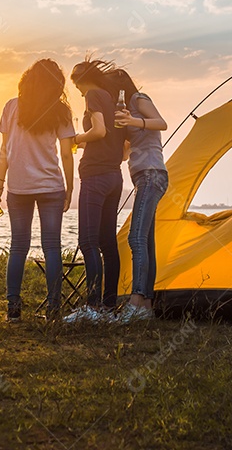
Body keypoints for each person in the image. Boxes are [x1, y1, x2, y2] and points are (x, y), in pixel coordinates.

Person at [0, 59, 76, 322]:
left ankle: (13, 309)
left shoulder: (12, 107)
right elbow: (67, 155)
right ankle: (54, 309)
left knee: (18, 247)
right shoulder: (60, 111)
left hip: (19, 187)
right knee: (52, 247)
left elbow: (4, 150)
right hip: (51, 186)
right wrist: (70, 188)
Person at [65, 58, 127, 323]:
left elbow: (99, 131)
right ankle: (109, 307)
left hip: (96, 176)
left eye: (77, 86)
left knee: (88, 241)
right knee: (107, 244)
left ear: (82, 81)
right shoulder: (112, 99)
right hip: (114, 176)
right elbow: (119, 144)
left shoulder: (93, 95)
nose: (79, 93)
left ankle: (92, 307)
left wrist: (76, 139)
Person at [111, 69, 168, 323]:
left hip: (152, 174)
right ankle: (146, 306)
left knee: (135, 238)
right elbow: (126, 154)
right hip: (143, 177)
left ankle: (135, 302)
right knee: (146, 242)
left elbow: (161, 123)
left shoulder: (138, 99)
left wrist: (133, 121)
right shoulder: (125, 112)